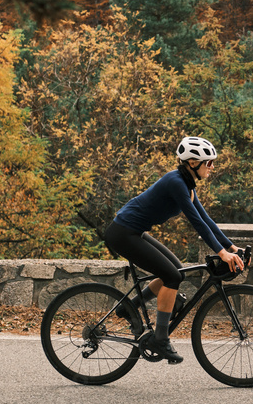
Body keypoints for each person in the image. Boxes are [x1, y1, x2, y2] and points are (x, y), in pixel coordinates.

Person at [104, 136, 245, 364]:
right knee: (171, 276)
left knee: (176, 271)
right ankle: (160, 339)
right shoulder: (176, 183)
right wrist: (222, 253)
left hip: (133, 231)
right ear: (193, 163)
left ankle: (129, 308)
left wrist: (231, 247)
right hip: (122, 233)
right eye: (209, 162)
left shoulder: (186, 185)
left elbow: (206, 220)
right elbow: (197, 223)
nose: (212, 167)